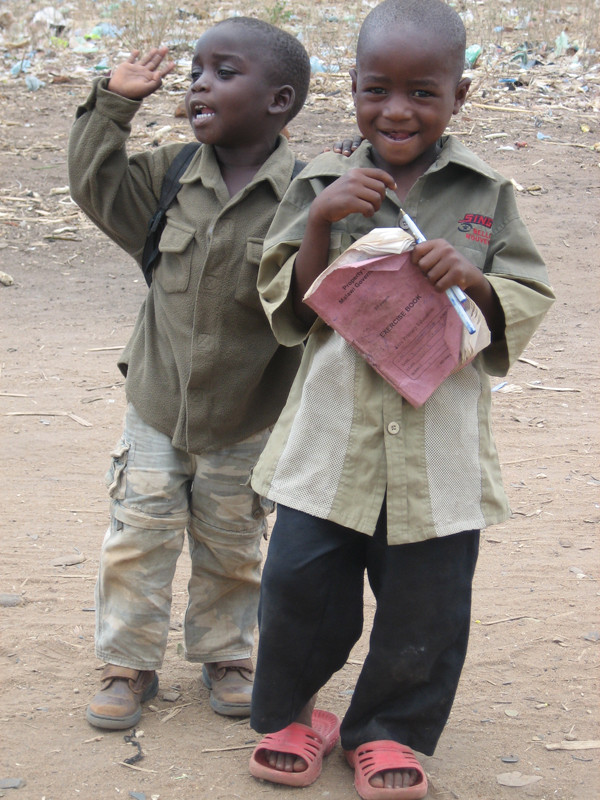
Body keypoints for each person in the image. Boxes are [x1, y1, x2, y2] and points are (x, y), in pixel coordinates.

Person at [247, 1, 555, 798]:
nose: (397, 109)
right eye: (377, 88)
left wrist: (477, 278)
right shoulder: (317, 180)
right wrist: (319, 221)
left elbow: (527, 293)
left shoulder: (488, 190)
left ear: (462, 94)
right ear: (351, 87)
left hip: (436, 450)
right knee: (298, 587)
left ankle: (388, 731)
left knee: (428, 602)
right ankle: (293, 714)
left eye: (424, 91)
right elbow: (285, 300)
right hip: (331, 441)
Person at [67, 17, 313, 730]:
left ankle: (227, 654)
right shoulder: (169, 175)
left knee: (234, 543)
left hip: (248, 414)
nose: (200, 82)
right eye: (196, 70)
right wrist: (112, 104)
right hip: (157, 401)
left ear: (279, 100)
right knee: (139, 534)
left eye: (224, 71)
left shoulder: (306, 193)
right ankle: (128, 664)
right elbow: (95, 184)